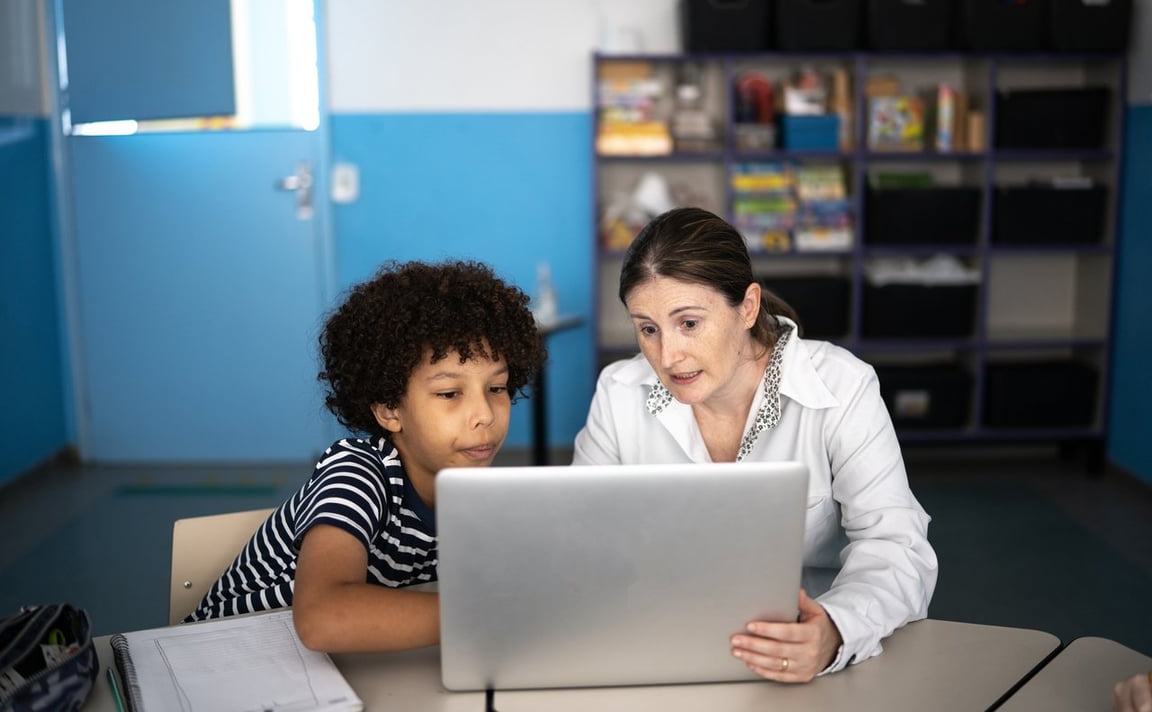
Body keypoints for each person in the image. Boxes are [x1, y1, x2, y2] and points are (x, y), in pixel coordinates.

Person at [574, 207, 938, 683]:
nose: (667, 355)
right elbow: (582, 544)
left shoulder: (841, 387)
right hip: (663, 644)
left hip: (804, 654)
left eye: (688, 323)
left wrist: (834, 630)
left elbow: (897, 546)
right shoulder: (619, 394)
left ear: (747, 307)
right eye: (648, 329)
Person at [186, 260, 544, 652]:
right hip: (220, 656)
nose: (485, 415)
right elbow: (323, 615)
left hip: (333, 670)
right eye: (449, 394)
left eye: (497, 388)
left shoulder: (474, 496)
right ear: (389, 409)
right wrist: (490, 619)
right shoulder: (357, 471)